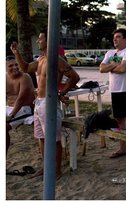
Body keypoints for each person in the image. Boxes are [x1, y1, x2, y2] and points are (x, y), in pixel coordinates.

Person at [10, 29, 80, 179]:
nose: (38, 41)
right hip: (39, 103)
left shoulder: (56, 60)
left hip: (49, 103)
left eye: (40, 39)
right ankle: (45, 167)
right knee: (41, 138)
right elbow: (26, 68)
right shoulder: (42, 59)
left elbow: (74, 77)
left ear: (48, 41)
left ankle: (56, 171)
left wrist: (61, 93)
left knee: (53, 139)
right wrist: (17, 54)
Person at [99, 28, 126, 162]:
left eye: (118, 37)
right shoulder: (110, 53)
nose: (115, 39)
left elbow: (123, 69)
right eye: (114, 37)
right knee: (119, 121)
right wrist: (114, 65)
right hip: (115, 91)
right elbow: (101, 68)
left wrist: (110, 66)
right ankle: (123, 149)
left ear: (125, 39)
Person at [6, 56, 35, 155]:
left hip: (24, 109)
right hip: (9, 108)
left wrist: (11, 116)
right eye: (11, 66)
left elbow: (21, 99)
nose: (15, 67)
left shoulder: (25, 77)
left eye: (16, 65)